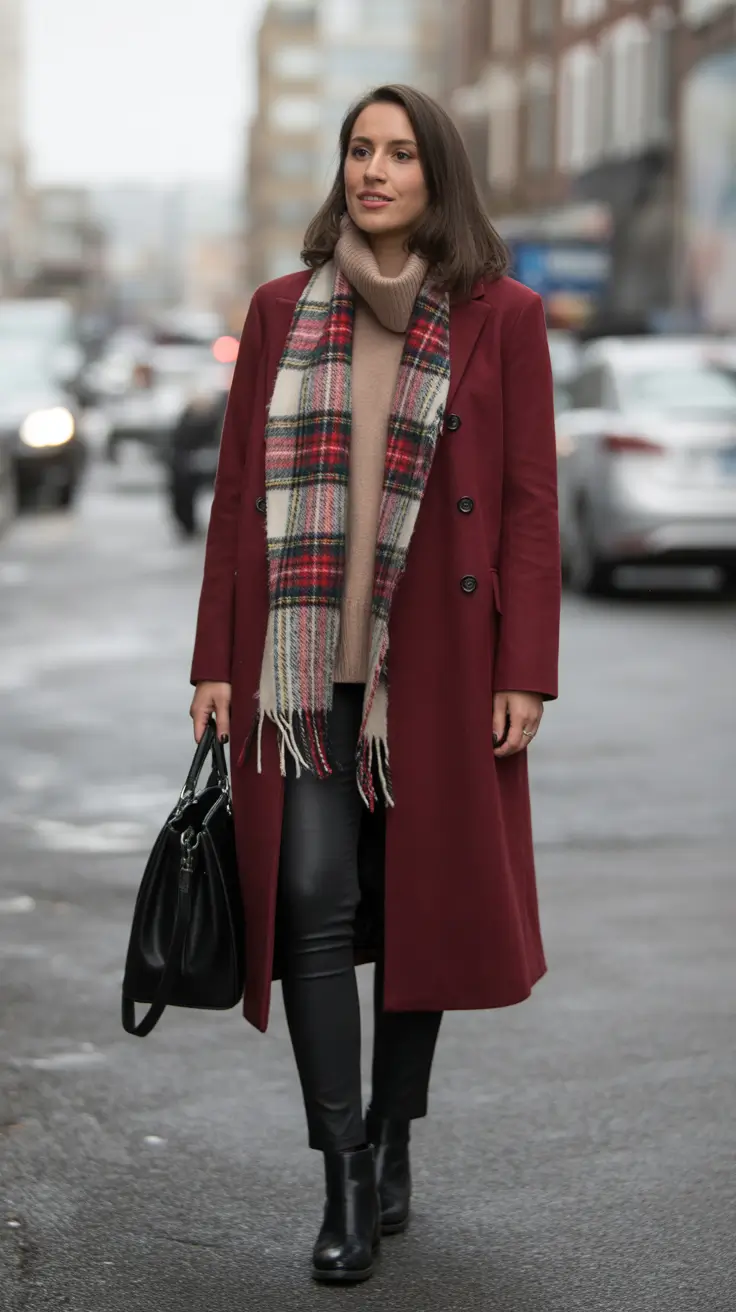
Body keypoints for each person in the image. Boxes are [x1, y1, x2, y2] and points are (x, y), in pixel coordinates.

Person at [189, 84, 560, 1285]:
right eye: (359, 150)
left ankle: (395, 1129)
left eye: (400, 153)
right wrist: (212, 658)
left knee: (419, 907)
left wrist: (527, 671)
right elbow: (238, 499)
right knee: (310, 901)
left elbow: (524, 509)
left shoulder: (500, 317)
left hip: (440, 675)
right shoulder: (281, 309)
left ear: (436, 174)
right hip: (300, 676)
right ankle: (344, 1162)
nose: (375, 171)